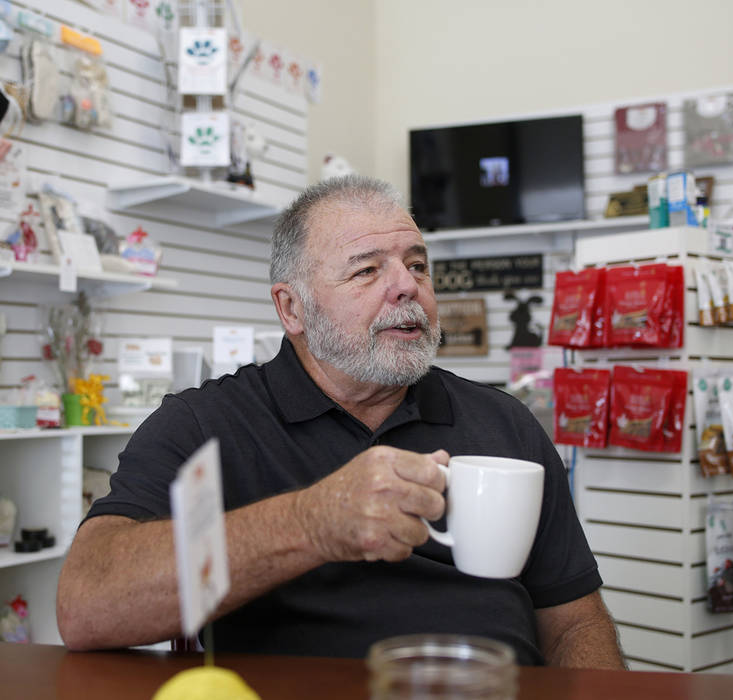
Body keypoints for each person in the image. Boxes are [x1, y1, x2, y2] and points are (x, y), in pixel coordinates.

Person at [56, 174, 625, 669]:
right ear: (292, 309)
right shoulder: (205, 424)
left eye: (417, 264)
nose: (408, 285)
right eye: (366, 271)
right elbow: (86, 605)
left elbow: (574, 621)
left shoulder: (506, 423)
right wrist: (310, 522)